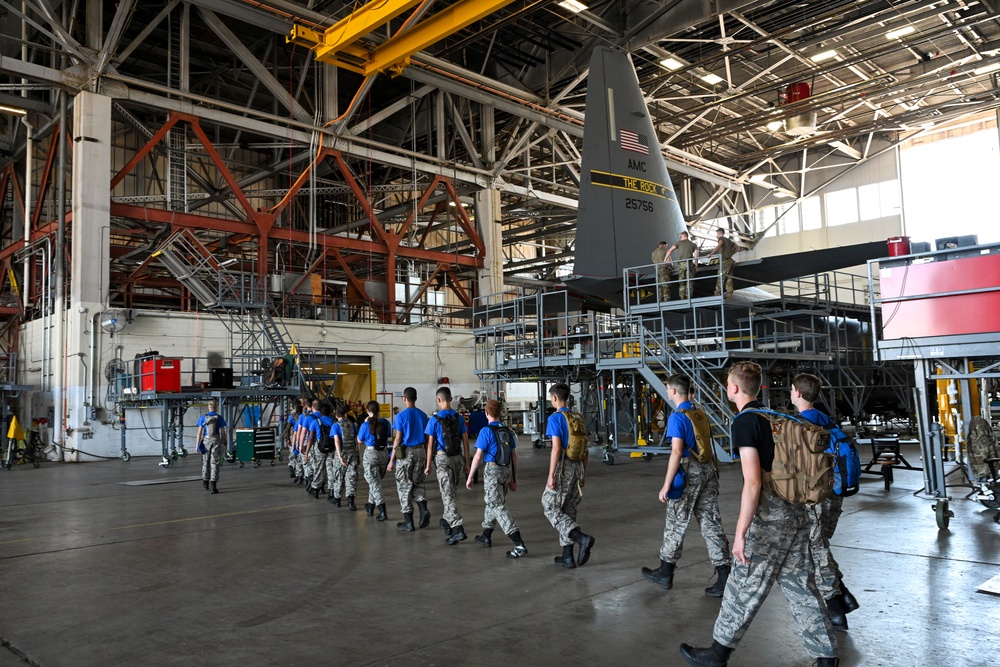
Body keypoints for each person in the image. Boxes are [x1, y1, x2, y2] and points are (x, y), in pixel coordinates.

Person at [680, 361, 838, 667]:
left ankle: (718, 653)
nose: (726, 388)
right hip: (796, 513)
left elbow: (753, 483)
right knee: (800, 585)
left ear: (735, 388)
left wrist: (740, 534)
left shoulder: (744, 423)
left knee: (743, 584)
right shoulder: (776, 417)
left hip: (770, 520)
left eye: (728, 383)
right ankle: (826, 656)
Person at [641, 374, 731, 596]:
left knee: (676, 523)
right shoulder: (699, 413)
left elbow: (677, 452)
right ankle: (724, 575)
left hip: (689, 474)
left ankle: (665, 571)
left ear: (672, 391)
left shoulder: (678, 417)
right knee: (711, 522)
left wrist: (666, 484)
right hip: (708, 471)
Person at [791, 373, 860, 632]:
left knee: (815, 548)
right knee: (820, 545)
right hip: (836, 492)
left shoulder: (800, 424)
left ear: (797, 393)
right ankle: (843, 595)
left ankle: (835, 606)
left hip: (816, 495)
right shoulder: (826, 420)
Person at [542, 382, 595, 569]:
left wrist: (551, 475)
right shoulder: (577, 417)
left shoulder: (555, 419)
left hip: (563, 468)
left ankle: (581, 538)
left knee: (550, 507)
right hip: (578, 466)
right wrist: (583, 474)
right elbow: (586, 449)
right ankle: (567, 556)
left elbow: (556, 448)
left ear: (555, 398)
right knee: (569, 509)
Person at [467, 399, 527, 558]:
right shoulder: (507, 430)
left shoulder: (485, 431)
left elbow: (478, 456)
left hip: (493, 471)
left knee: (498, 507)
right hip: (506, 470)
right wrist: (515, 478)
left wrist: (470, 475)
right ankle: (486, 535)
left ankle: (519, 543)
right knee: (493, 502)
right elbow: (514, 456)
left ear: (486, 413)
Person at [425, 386, 470, 545]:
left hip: (442, 459)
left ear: (438, 400)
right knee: (450, 492)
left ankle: (457, 528)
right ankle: (446, 520)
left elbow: (430, 445)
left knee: (447, 493)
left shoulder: (434, 420)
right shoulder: (459, 418)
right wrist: (467, 462)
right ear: (450, 399)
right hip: (457, 458)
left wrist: (428, 464)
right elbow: (465, 440)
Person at [387, 387, 430, 532]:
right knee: (418, 482)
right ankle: (423, 508)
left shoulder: (400, 416)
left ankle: (408, 521)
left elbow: (398, 439)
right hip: (421, 451)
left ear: (404, 398)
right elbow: (427, 438)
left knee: (404, 486)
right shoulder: (423, 416)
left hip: (406, 454)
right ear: (415, 398)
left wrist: (391, 460)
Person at [357, 400, 391, 521]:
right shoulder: (386, 423)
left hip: (371, 454)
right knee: (375, 481)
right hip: (384, 454)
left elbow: (360, 440)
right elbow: (388, 436)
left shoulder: (365, 425)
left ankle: (382, 511)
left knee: (375, 483)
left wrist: (366, 423)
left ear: (368, 411)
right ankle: (370, 506)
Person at [329, 404, 360, 510]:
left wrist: (339, 455)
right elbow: (357, 440)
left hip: (341, 454)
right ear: (345, 415)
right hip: (352, 454)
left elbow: (336, 440)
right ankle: (351, 502)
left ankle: (337, 500)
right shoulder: (352, 424)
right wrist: (358, 453)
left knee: (338, 476)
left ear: (336, 416)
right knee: (351, 477)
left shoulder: (335, 426)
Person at [195, 399, 227, 494]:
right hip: (216, 441)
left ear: (208, 408)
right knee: (215, 463)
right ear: (216, 408)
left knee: (205, 461)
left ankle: (205, 481)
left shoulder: (203, 418)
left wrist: (197, 446)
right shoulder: (219, 418)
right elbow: (223, 432)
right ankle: (213, 485)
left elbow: (199, 433)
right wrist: (224, 443)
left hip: (206, 441)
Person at [303, 400, 329, 499]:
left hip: (319, 447)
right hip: (331, 449)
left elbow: (310, 438)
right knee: (329, 470)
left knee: (318, 468)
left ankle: (316, 488)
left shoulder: (314, 421)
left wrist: (306, 453)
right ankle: (330, 491)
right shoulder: (334, 421)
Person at [665, 232, 700, 300]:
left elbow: (669, 251)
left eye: (680, 237)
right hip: (689, 264)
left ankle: (682, 297)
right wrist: (696, 266)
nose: (680, 238)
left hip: (681, 264)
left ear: (684, 236)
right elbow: (696, 257)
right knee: (689, 282)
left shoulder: (678, 243)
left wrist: (665, 259)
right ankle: (689, 297)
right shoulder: (693, 245)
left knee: (682, 282)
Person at [706, 227, 737, 299]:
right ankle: (729, 295)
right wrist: (731, 253)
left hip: (725, 262)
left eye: (717, 233)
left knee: (720, 279)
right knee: (729, 279)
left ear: (720, 233)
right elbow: (737, 247)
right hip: (730, 261)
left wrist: (711, 254)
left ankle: (716, 296)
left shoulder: (721, 239)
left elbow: (719, 245)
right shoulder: (729, 240)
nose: (716, 235)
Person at [286, 403, 303, 483]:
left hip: (294, 439)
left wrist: (287, 439)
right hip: (303, 439)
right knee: (300, 458)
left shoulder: (292, 417)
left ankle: (291, 466)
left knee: (293, 455)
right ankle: (299, 475)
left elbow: (288, 428)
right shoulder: (304, 417)